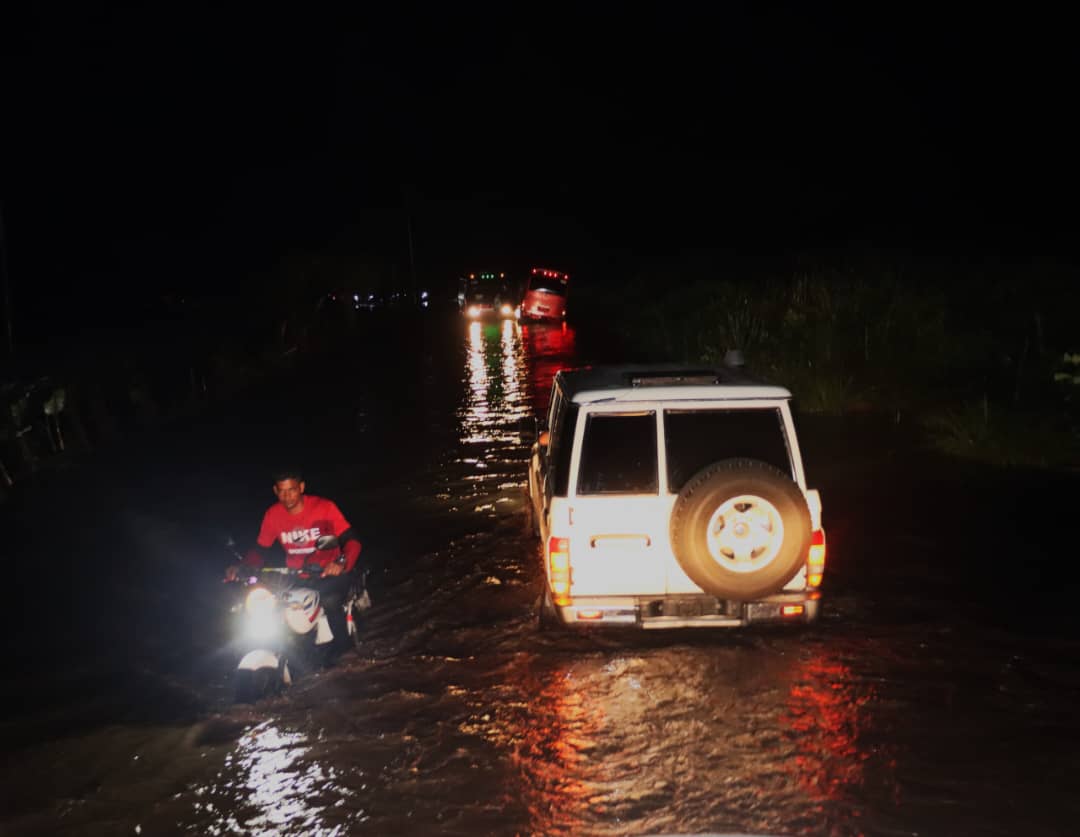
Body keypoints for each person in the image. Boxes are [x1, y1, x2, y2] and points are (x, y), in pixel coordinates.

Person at [225, 468, 363, 662]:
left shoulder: (324, 507)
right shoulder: (273, 515)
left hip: (328, 572)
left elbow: (352, 540)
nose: (287, 496)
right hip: (296, 574)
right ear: (275, 490)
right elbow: (261, 549)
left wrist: (341, 562)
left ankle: (346, 651)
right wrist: (242, 566)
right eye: (282, 491)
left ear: (301, 487)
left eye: (291, 490)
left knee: (330, 600)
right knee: (272, 604)